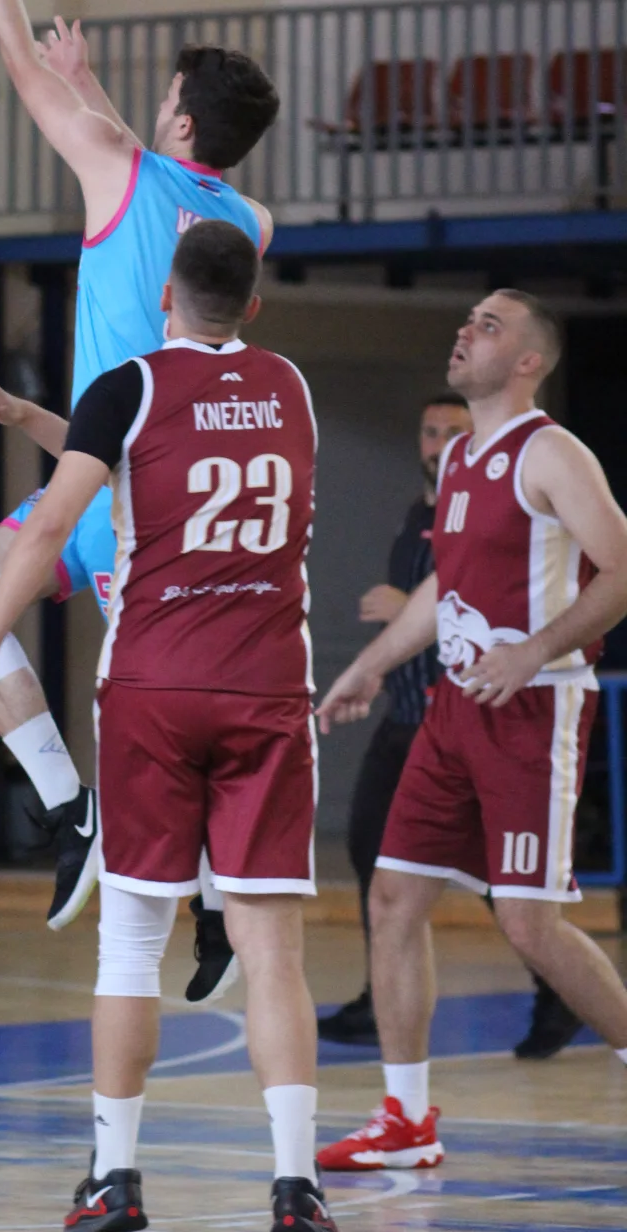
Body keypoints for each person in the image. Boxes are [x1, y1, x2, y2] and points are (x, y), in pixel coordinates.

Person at [0, 221, 337, 1232]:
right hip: (266, 687)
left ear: (163, 295)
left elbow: (58, 519)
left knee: (128, 948)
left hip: (155, 687)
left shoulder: (129, 388)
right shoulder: (291, 388)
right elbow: (175, 444)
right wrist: (34, 414)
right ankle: (295, 1187)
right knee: (274, 956)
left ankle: (115, 1180)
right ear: (251, 304)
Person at [0, 0, 277, 948]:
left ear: (180, 115)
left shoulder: (120, 166)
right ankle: (74, 814)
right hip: (130, 472)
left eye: (164, 97)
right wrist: (102, 100)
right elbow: (160, 178)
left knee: (150, 714)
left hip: (125, 493)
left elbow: (20, 62)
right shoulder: (248, 219)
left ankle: (205, 904)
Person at [315, 289, 627, 1172]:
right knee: (392, 897)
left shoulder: (552, 452)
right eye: (468, 321)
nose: (465, 332)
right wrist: (372, 665)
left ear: (528, 361)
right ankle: (407, 1121)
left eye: (489, 326)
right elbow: (442, 588)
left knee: (528, 925)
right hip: (454, 708)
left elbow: (622, 567)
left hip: (534, 707)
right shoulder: (457, 459)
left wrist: (534, 650)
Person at [317, 393, 471, 1045]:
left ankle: (557, 992)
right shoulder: (416, 515)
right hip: (402, 713)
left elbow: (476, 608)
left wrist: (406, 605)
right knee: (368, 848)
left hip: (453, 718)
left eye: (453, 432)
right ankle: (379, 996)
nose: (438, 443)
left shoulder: (481, 514)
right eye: (430, 431)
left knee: (498, 879)